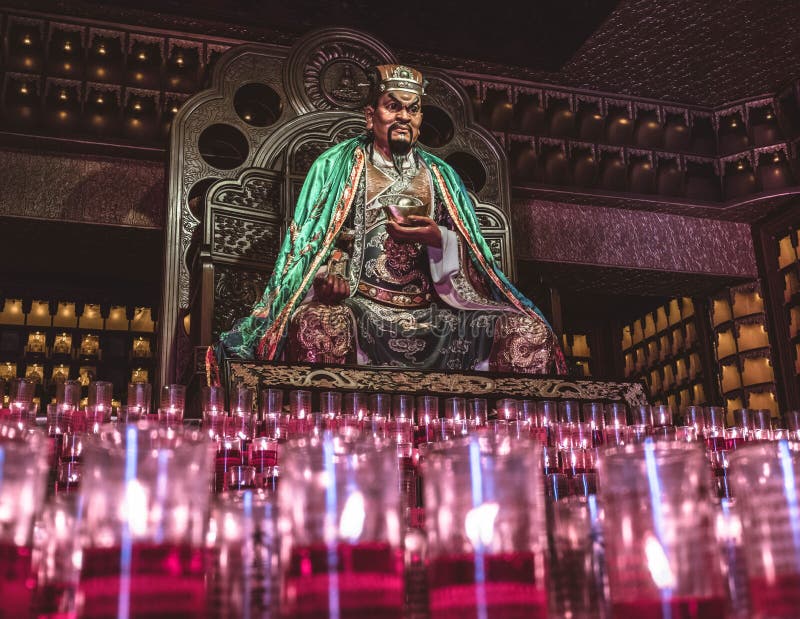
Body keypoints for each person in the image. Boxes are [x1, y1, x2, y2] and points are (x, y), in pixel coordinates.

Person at [216, 64, 565, 374]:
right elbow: (310, 246)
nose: (403, 117)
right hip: (362, 307)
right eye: (393, 106)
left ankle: (506, 436)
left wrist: (440, 240)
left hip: (436, 313)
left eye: (412, 110)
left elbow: (478, 265)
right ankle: (333, 435)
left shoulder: (442, 176)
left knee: (527, 331)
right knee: (318, 324)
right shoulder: (336, 166)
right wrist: (326, 280)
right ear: (371, 116)